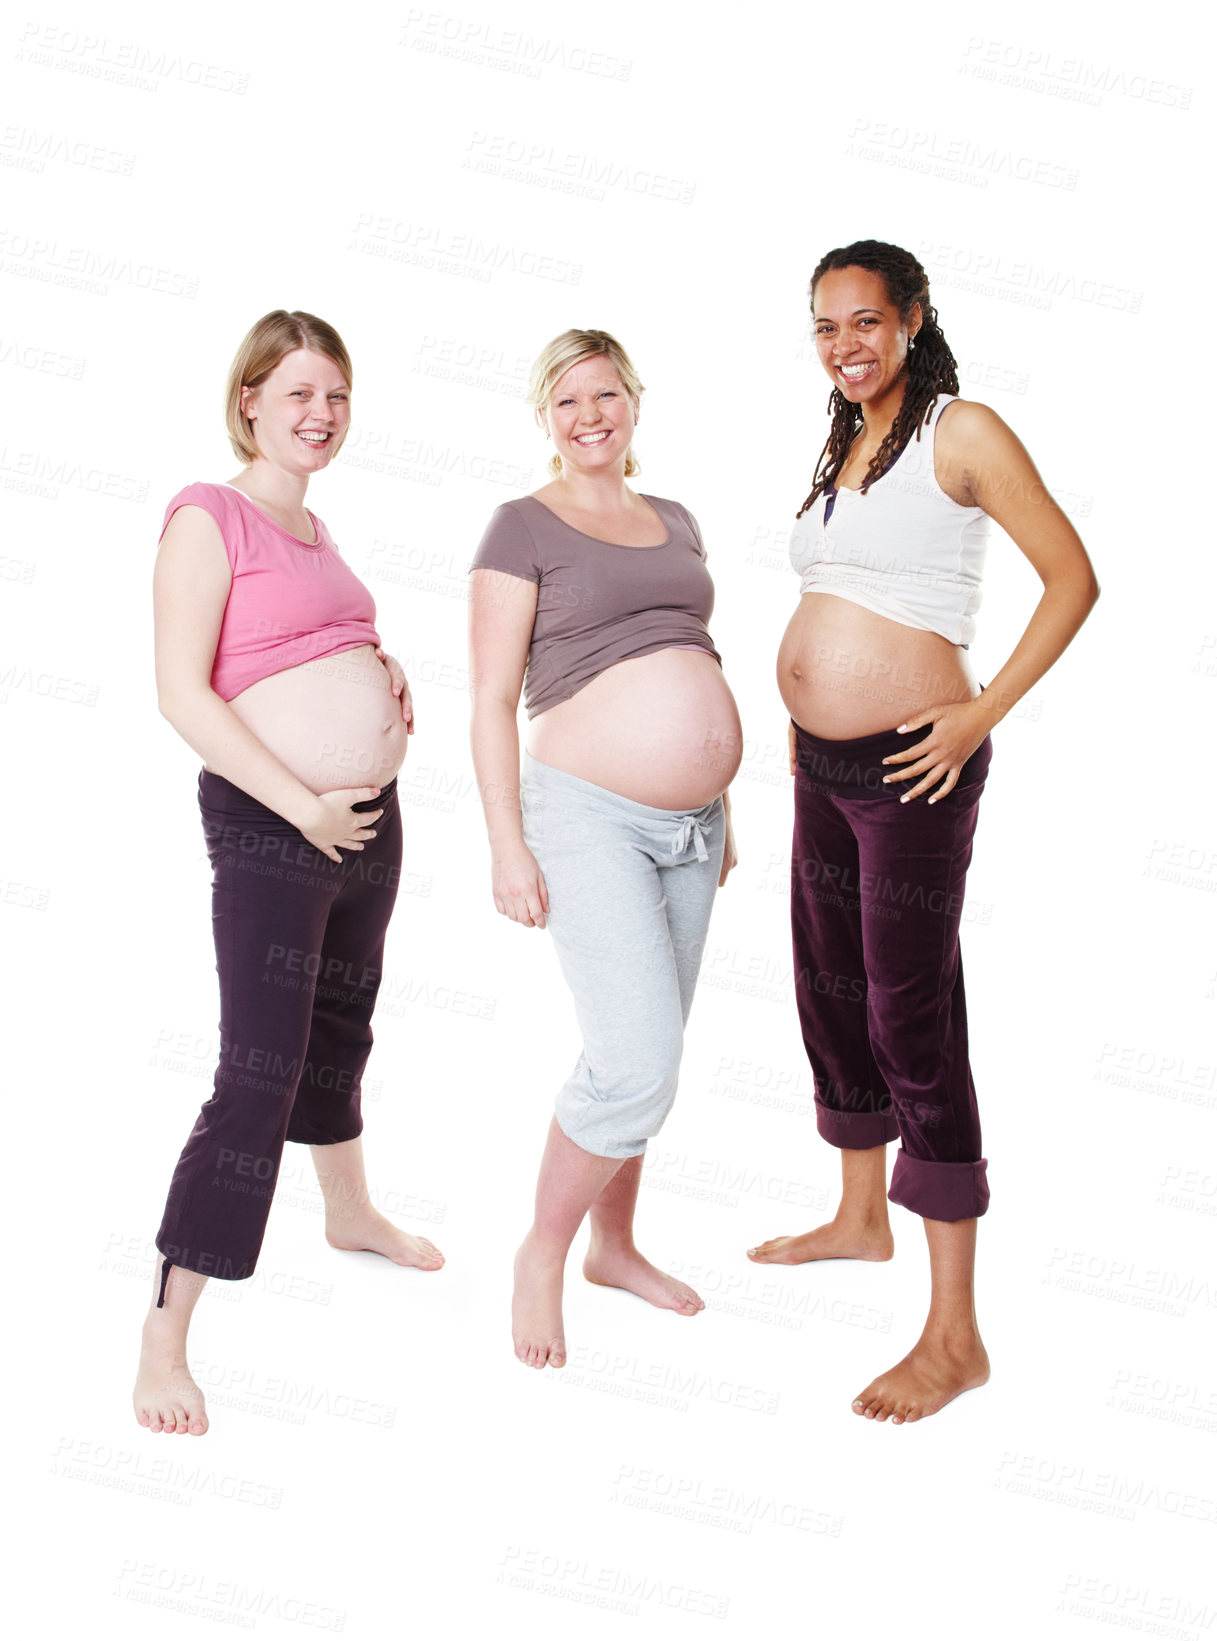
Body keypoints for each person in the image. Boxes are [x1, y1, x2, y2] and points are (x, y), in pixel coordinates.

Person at [748, 241, 1099, 1424]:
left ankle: (954, 1336)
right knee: (829, 986)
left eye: (863, 322)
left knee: (911, 1010)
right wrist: (802, 713)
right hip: (825, 764)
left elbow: (1071, 578)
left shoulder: (961, 429)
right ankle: (858, 1218)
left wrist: (976, 714)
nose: (844, 345)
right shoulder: (843, 443)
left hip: (913, 766)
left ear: (908, 322)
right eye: (823, 327)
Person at [133, 310, 443, 1437]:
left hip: (364, 823)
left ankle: (348, 1211)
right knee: (256, 1071)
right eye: (300, 394)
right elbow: (182, 693)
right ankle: (164, 1339)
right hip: (277, 825)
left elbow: (305, 643)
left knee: (341, 1029)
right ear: (250, 400)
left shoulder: (315, 528)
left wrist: (378, 660)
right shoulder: (205, 516)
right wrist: (301, 801)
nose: (321, 416)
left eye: (339, 398)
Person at [468, 329, 741, 1369]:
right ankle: (544, 1250)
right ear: (544, 416)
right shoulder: (519, 527)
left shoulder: (674, 519)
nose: (590, 415)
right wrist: (505, 842)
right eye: (568, 400)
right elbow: (492, 697)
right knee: (635, 1057)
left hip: (692, 827)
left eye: (606, 395)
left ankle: (614, 1246)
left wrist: (722, 800)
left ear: (634, 401)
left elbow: (690, 649)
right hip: (584, 814)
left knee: (650, 1051)